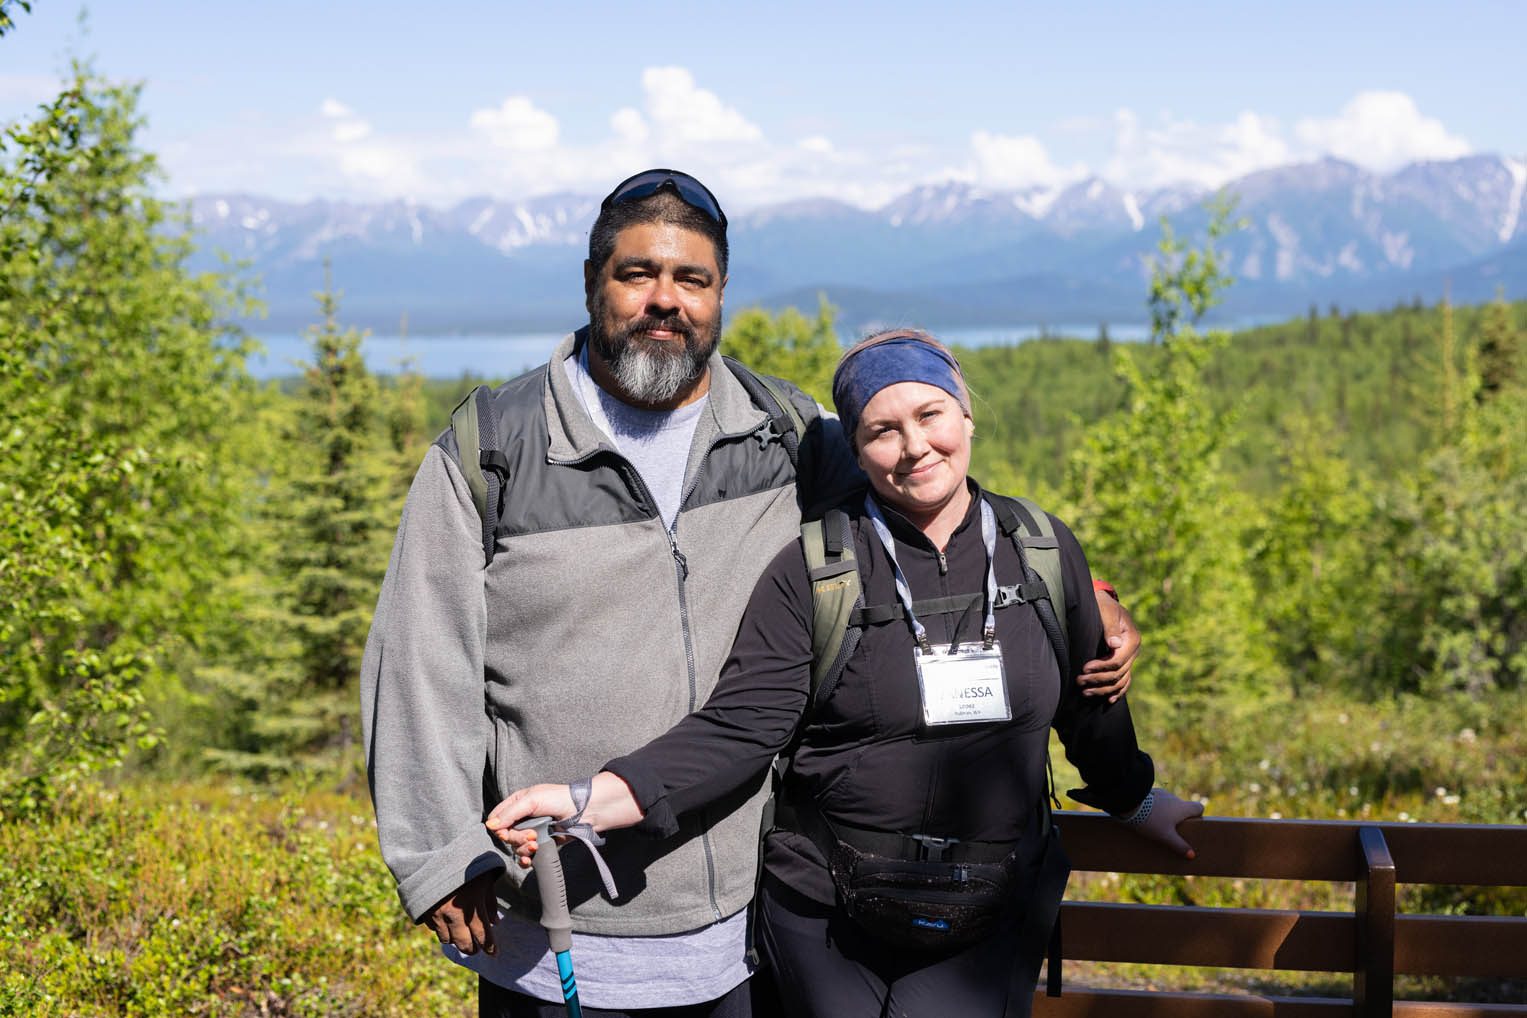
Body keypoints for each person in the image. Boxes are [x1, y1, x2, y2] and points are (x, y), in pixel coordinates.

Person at [360, 170, 1144, 1018]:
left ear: (720, 293)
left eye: (691, 279)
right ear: (594, 284)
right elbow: (419, 660)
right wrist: (439, 857)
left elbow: (930, 505)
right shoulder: (496, 448)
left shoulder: (788, 431)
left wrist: (1086, 591)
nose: (666, 300)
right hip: (554, 916)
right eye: (637, 274)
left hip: (743, 919)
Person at [485, 330, 1201, 1018]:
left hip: (989, 915)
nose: (914, 445)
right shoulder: (818, 569)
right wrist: (595, 796)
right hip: (827, 914)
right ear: (855, 450)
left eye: (930, 415)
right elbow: (743, 723)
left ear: (966, 416)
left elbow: (1091, 699)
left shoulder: (1038, 552)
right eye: (882, 430)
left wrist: (1133, 797)